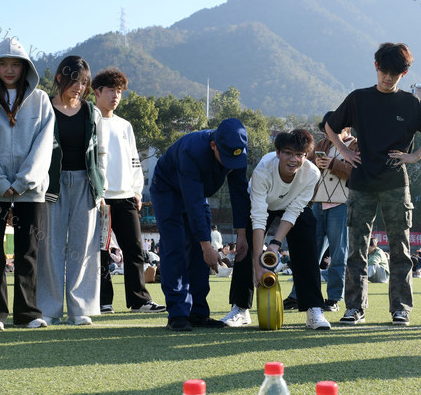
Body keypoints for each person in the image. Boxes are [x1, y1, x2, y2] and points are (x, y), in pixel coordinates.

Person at [326, 42, 421, 326]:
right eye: (385, 71)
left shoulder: (411, 103)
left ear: (404, 74)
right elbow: (331, 124)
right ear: (376, 67)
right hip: (361, 182)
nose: (388, 78)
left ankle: (401, 308)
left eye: (395, 73)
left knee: (400, 248)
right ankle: (354, 308)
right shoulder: (359, 98)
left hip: (395, 183)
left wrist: (415, 156)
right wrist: (343, 151)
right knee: (356, 248)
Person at [0, 37, 54, 331]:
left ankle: (28, 313)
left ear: (25, 68)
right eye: (3, 64)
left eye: (15, 64)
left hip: (30, 191)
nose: (8, 70)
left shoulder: (41, 101)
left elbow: (43, 147)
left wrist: (22, 182)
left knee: (28, 251)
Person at [220, 129, 330, 330]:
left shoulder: (312, 174)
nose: (293, 159)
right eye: (288, 153)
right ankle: (240, 308)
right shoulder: (263, 170)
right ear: (278, 153)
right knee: (246, 247)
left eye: (299, 155)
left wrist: (275, 245)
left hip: (291, 207)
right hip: (261, 205)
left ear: (306, 156)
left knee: (307, 240)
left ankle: (314, 308)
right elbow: (259, 216)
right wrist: (258, 264)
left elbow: (294, 210)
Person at [150, 118, 250, 332]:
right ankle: (177, 313)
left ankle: (198, 312)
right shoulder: (192, 150)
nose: (228, 165)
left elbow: (240, 194)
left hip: (198, 191)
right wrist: (207, 246)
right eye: (224, 158)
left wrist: (242, 234)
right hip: (169, 189)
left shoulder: (237, 149)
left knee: (199, 252)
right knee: (175, 245)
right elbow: (193, 202)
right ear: (214, 145)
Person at [37, 56, 105, 326]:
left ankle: (80, 309)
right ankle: (48, 309)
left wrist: (101, 191)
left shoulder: (92, 112)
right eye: (75, 81)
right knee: (49, 246)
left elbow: (100, 154)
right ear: (59, 79)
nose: (79, 87)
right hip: (51, 184)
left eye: (84, 83)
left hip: (85, 184)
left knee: (84, 247)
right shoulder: (45, 108)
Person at [91, 68, 164, 314]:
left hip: (126, 197)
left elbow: (135, 160)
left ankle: (139, 300)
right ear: (97, 92)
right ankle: (102, 301)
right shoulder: (88, 120)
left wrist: (137, 191)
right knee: (100, 253)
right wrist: (94, 193)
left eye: (119, 91)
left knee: (135, 250)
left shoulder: (125, 125)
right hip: (99, 199)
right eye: (111, 90)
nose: (115, 96)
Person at [284, 112, 357, 312]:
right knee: (307, 254)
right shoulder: (323, 146)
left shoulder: (356, 146)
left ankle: (333, 298)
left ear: (346, 129)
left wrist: (333, 165)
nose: (329, 135)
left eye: (334, 131)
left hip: (340, 205)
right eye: (327, 131)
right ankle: (297, 295)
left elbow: (359, 173)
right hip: (317, 204)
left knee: (338, 255)